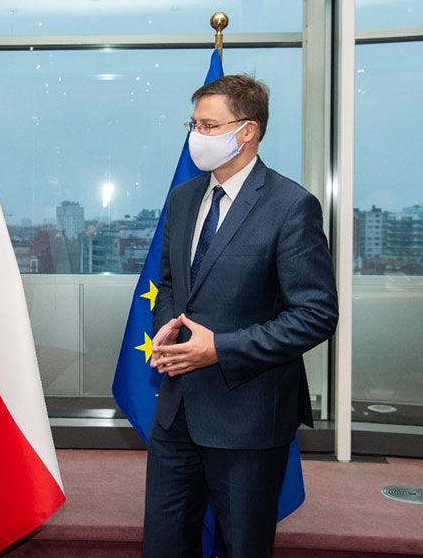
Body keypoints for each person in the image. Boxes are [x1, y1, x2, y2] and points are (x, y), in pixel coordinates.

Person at [143, 74, 338, 558]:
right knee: (165, 544)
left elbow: (316, 313)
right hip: (177, 413)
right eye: (193, 124)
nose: (197, 136)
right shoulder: (183, 199)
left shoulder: (291, 206)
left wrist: (220, 349)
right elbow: (170, 284)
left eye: (209, 126)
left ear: (247, 131)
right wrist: (167, 327)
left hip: (248, 418)